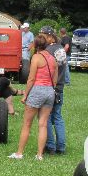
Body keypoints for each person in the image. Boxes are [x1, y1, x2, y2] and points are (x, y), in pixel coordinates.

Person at [9, 33, 57, 160]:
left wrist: (25, 95)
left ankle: (19, 153)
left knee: (27, 124)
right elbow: (55, 80)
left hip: (37, 90)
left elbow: (31, 79)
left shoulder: (36, 57)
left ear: (35, 45)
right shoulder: (53, 59)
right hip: (49, 92)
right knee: (43, 124)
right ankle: (40, 155)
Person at [41, 26, 67, 154]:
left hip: (50, 86)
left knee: (47, 117)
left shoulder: (48, 51)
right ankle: (61, 147)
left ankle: (50, 146)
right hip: (60, 86)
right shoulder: (61, 49)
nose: (41, 38)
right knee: (58, 116)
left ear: (50, 36)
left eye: (43, 35)